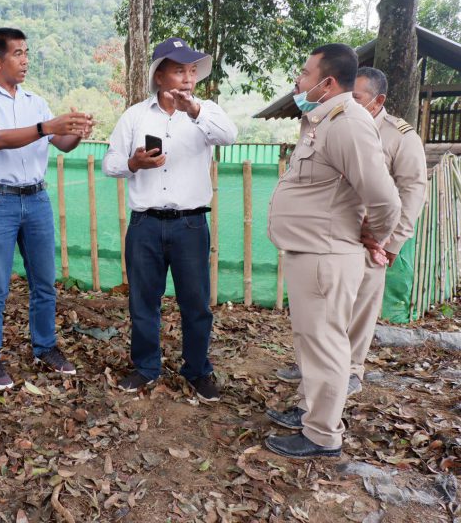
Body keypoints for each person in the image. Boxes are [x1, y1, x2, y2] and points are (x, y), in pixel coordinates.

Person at [265, 45, 401, 459]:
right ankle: (310, 411)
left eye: (306, 73)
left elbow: (385, 199)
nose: (299, 80)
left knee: (325, 345)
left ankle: (322, 434)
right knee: (312, 341)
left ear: (326, 83)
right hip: (311, 252)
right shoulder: (324, 120)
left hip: (326, 255)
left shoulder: (348, 124)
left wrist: (374, 236)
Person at [274, 67, 427, 393]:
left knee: (358, 313)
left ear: (378, 100)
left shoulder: (400, 136)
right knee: (317, 312)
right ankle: (308, 367)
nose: (348, 102)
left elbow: (412, 191)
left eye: (356, 97)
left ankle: (352, 371)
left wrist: (390, 242)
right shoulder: (328, 123)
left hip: (370, 241)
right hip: (328, 235)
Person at [102, 38, 237, 399]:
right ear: (159, 76)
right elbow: (110, 164)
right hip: (144, 224)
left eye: (192, 71)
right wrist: (134, 163)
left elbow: (229, 136)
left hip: (190, 224)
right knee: (143, 302)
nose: (188, 78)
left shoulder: (207, 112)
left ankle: (197, 370)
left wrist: (195, 111)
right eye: (179, 70)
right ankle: (146, 368)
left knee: (196, 303)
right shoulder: (135, 116)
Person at [0, 27, 95, 390]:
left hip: (37, 199)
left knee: (44, 282)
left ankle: (45, 347)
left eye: (26, 53)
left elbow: (62, 143)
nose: (25, 60)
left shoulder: (35, 100)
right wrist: (46, 126)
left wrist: (78, 130)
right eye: (17, 53)